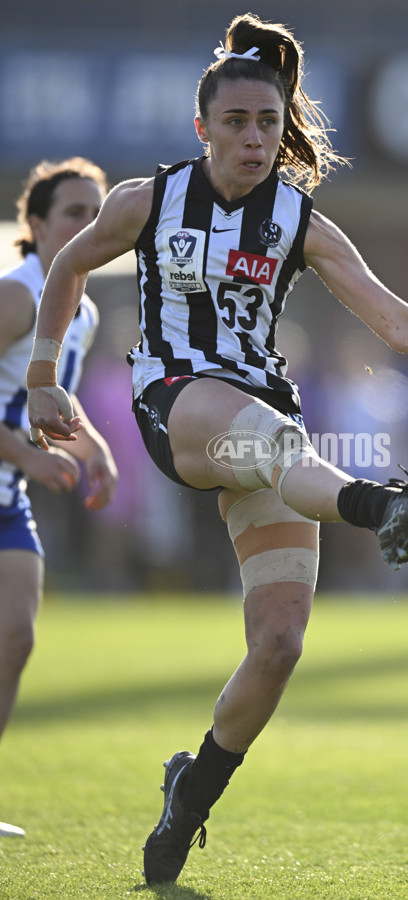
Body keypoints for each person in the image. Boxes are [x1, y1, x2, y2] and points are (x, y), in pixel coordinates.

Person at [26, 14, 408, 884]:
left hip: (266, 434)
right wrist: (41, 374)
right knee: (263, 431)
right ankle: (384, 507)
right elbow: (66, 267)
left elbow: (396, 320)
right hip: (174, 404)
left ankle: (192, 792)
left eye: (268, 122)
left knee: (280, 644)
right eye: (236, 123)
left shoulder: (300, 220)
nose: (254, 139)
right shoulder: (147, 201)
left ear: (282, 121)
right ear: (202, 128)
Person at [0, 158, 118, 837]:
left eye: (98, 215)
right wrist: (21, 455)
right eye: (74, 213)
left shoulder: (87, 310)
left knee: (14, 636)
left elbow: (51, 394)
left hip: (6, 492)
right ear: (37, 226)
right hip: (12, 472)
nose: (89, 227)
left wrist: (91, 446)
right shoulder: (18, 295)